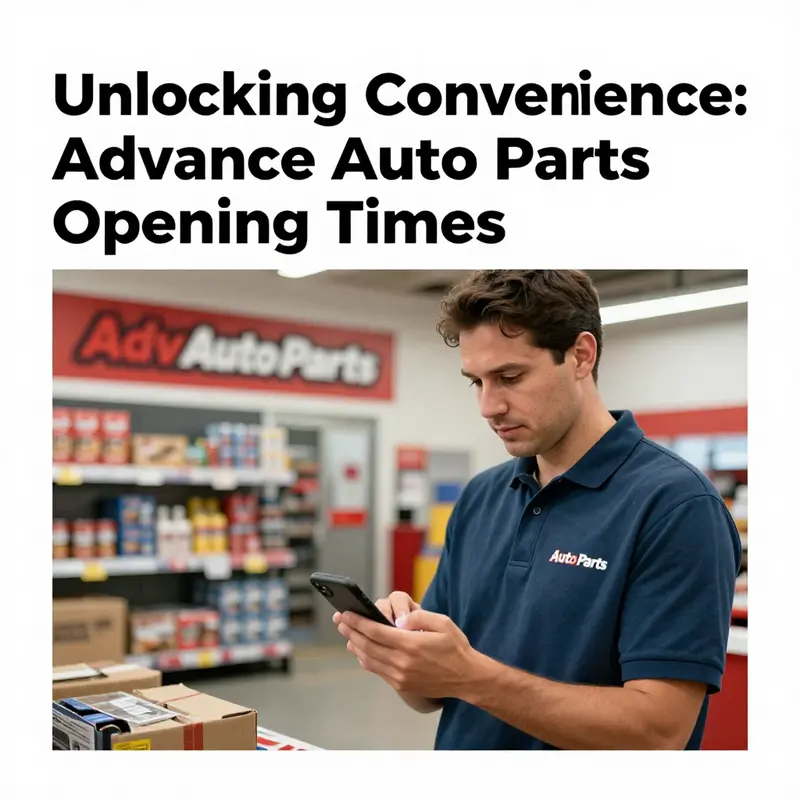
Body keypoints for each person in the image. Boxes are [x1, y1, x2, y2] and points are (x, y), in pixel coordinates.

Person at [333, 269, 741, 750]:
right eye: (476, 382)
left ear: (581, 356)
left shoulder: (677, 507)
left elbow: (659, 732)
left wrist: (470, 676)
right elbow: (432, 696)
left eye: (509, 377)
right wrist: (403, 657)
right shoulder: (482, 497)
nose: (489, 406)